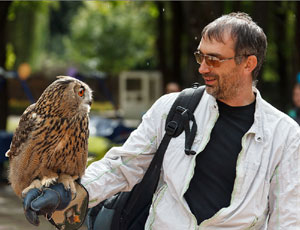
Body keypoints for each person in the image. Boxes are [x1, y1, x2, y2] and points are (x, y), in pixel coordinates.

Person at [23, 12, 300, 229]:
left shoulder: (284, 135)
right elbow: (123, 166)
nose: (202, 67)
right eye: (200, 56)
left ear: (248, 64)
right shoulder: (174, 108)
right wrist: (66, 191)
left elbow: (286, 220)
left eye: (214, 60)